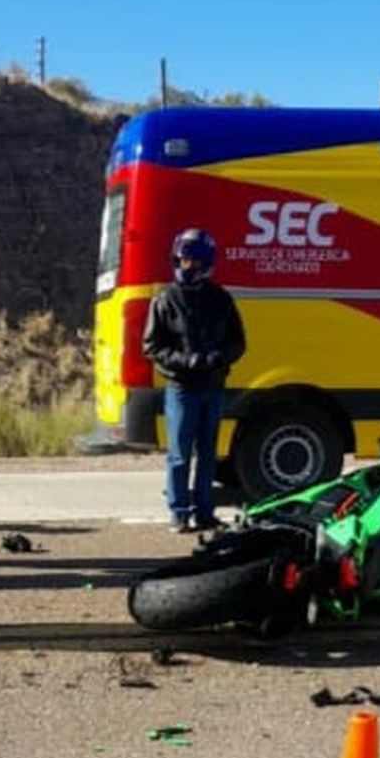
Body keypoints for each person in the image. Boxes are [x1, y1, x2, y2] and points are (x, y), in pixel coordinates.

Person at [142, 228, 246, 533]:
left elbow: (238, 342)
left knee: (208, 453)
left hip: (213, 388)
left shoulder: (220, 299)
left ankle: (204, 512)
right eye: (183, 260)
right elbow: (151, 346)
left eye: (193, 261)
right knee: (179, 454)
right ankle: (178, 512)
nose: (187, 266)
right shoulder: (165, 299)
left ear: (205, 263)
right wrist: (187, 361)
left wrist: (219, 357)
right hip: (182, 389)